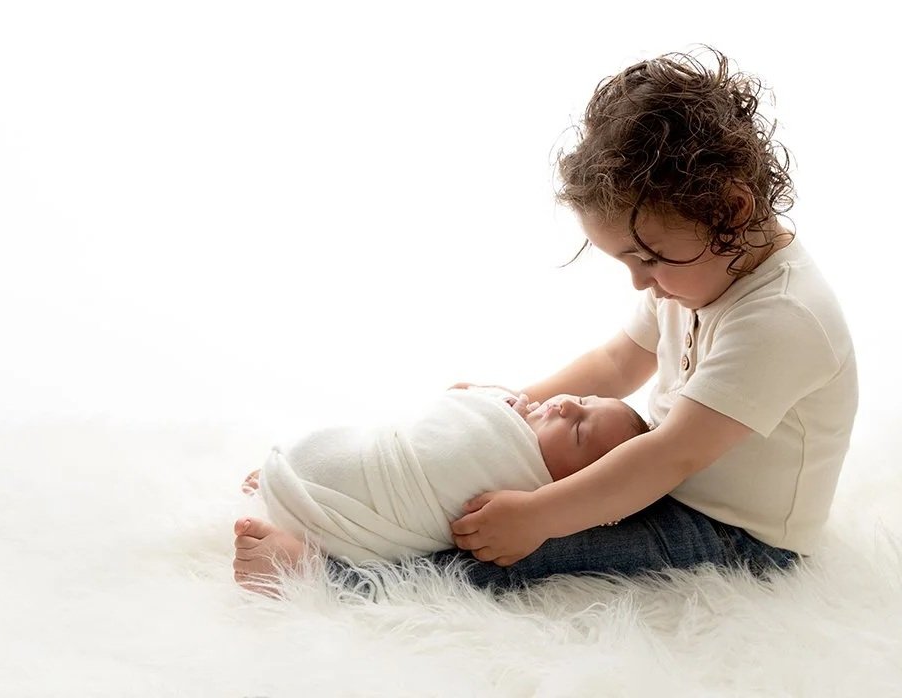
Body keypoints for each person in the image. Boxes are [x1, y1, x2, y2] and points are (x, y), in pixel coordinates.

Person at [232, 46, 858, 595]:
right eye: (628, 261)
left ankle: (333, 581)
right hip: (649, 472)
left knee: (524, 552)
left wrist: (537, 518)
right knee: (470, 475)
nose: (641, 281)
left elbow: (672, 456)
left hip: (733, 535)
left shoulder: (783, 319)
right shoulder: (695, 274)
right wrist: (511, 408)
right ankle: (330, 500)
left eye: (651, 258)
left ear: (729, 209)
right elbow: (615, 364)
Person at [234, 389, 649, 578]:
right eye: (587, 400)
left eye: (578, 431)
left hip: (347, 514)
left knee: (445, 572)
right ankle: (290, 484)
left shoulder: (524, 487)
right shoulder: (516, 415)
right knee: (376, 441)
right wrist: (485, 400)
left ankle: (315, 566)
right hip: (343, 457)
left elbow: (447, 468)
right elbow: (445, 415)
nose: (568, 405)